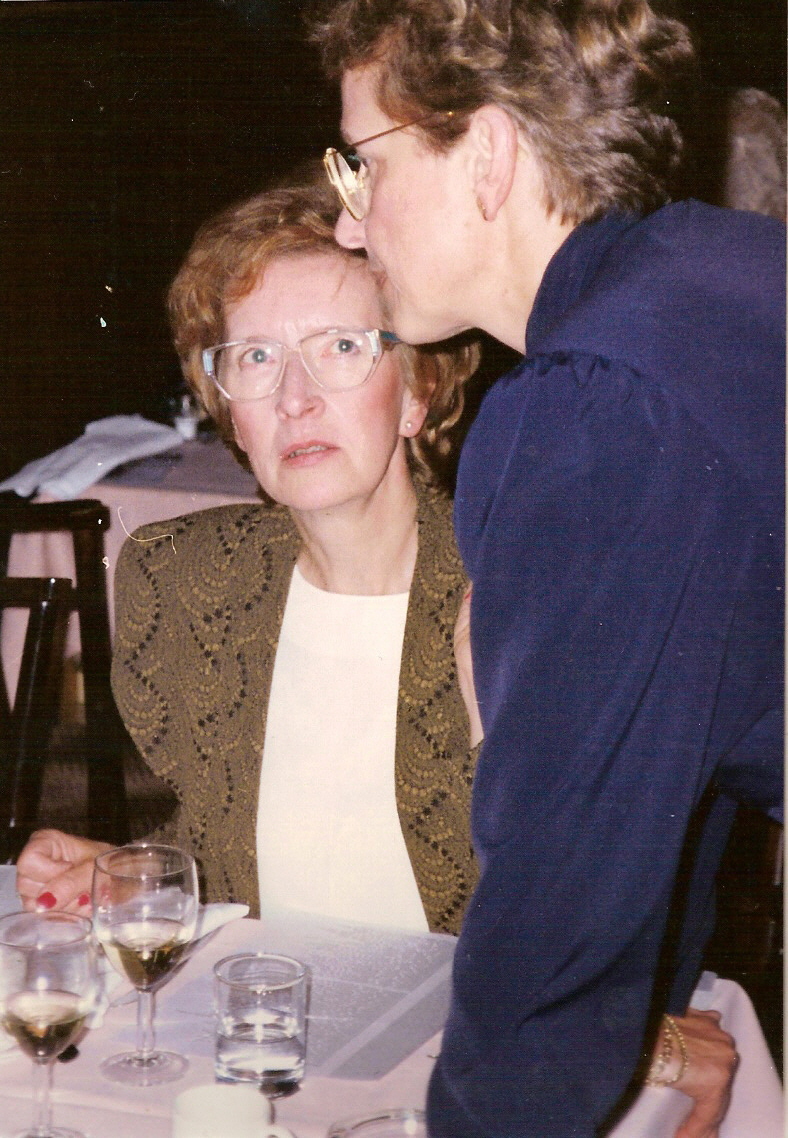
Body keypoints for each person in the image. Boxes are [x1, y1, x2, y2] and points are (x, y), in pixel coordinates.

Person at [16, 177, 737, 1131]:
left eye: (341, 349)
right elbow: (257, 854)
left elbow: (606, 894)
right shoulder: (181, 579)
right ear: (228, 408)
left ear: (416, 393)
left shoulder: (529, 591)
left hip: (465, 1078)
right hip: (271, 1059)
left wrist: (641, 1039)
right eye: (256, 358)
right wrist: (134, 876)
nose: (295, 397)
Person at [311, 1, 784, 1135]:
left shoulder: (589, 410)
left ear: (485, 153)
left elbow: (560, 895)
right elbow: (678, 763)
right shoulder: (724, 267)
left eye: (361, 167)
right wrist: (650, 1017)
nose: (345, 226)